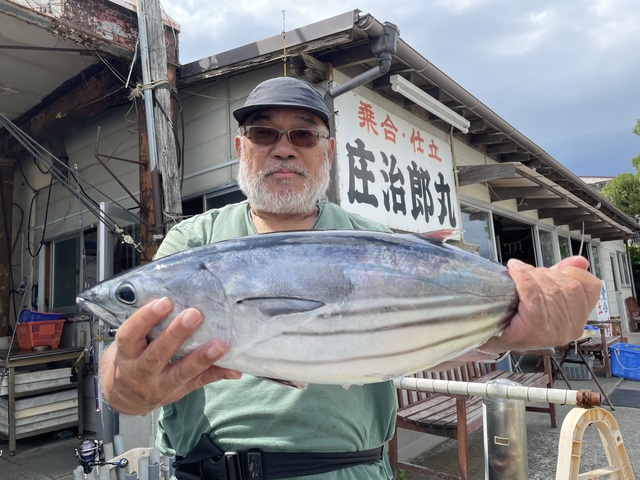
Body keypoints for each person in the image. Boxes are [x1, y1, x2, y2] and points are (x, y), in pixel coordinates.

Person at [99, 77, 602, 479]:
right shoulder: (193, 243)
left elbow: (434, 332)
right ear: (240, 147)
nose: (284, 149)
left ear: (328, 150)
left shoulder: (375, 237)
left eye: (303, 134)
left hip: (350, 471)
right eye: (263, 133)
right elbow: (119, 374)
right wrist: (128, 385)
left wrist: (530, 323)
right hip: (205, 470)